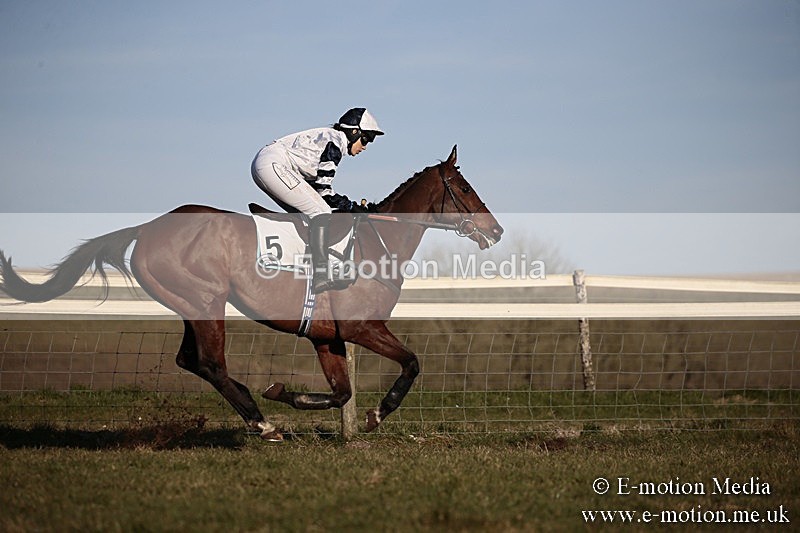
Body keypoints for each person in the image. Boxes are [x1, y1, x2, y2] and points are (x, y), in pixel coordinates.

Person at [251, 108, 384, 292]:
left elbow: (320, 191)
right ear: (354, 132)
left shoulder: (331, 139)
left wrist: (349, 207)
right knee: (320, 211)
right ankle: (321, 274)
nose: (365, 146)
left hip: (269, 163)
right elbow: (325, 192)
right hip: (273, 164)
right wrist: (352, 207)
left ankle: (301, 264)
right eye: (366, 139)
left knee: (311, 213)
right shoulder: (335, 143)